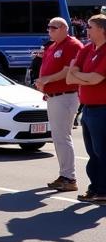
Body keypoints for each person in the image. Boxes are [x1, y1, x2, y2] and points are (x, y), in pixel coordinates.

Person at [35, 16, 83, 192]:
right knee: (59, 137)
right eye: (48, 28)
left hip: (66, 95)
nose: (49, 30)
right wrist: (44, 84)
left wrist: (46, 79)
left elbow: (68, 70)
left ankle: (69, 177)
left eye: (53, 28)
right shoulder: (54, 46)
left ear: (64, 28)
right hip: (55, 96)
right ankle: (65, 175)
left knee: (62, 137)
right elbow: (50, 66)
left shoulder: (72, 45)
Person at [65, 14, 106, 203]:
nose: (86, 30)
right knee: (92, 153)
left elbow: (95, 79)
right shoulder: (88, 49)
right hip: (88, 108)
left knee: (102, 151)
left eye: (90, 27)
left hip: (102, 109)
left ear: (101, 29)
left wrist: (81, 77)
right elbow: (70, 76)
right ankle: (95, 188)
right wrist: (85, 77)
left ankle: (103, 191)